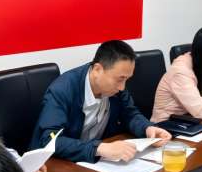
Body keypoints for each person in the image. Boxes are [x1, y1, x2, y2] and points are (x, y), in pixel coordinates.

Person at [30, 40, 171, 163]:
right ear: (97, 69)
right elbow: (51, 140)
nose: (122, 87)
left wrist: (147, 128)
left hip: (94, 162)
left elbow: (130, 114)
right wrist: (99, 148)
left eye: (127, 79)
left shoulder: (116, 89)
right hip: (55, 166)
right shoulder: (62, 90)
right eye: (120, 79)